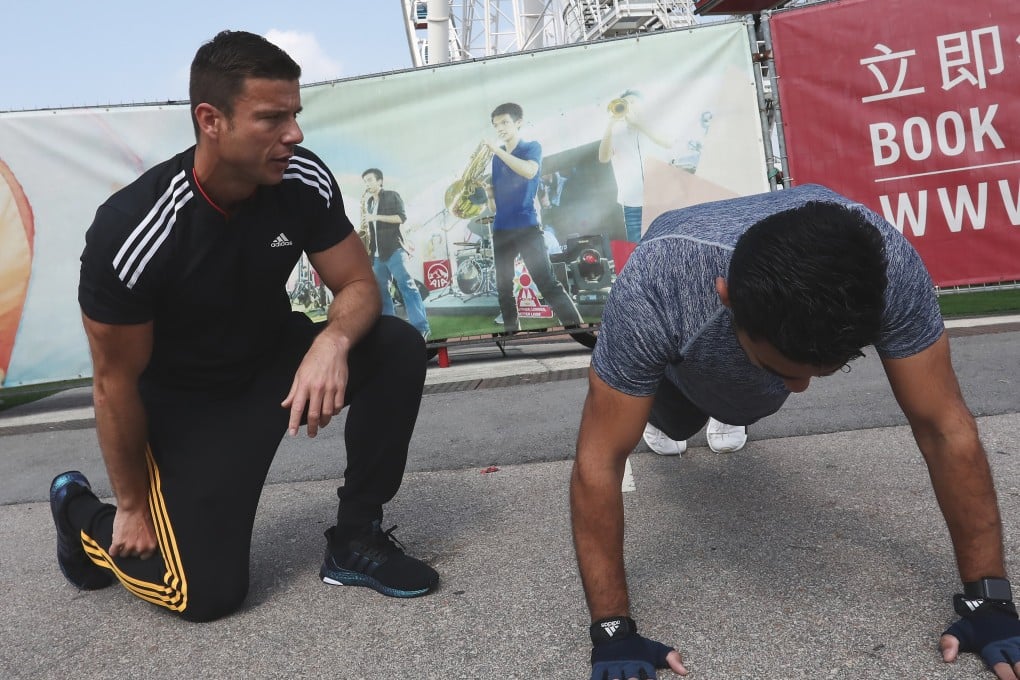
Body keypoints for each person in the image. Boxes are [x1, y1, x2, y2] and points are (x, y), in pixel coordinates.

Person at [49, 30, 439, 623]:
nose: (295, 134)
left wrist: (330, 341)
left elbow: (360, 285)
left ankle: (356, 537)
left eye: (296, 114)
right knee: (204, 596)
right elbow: (113, 384)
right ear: (212, 120)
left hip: (273, 367)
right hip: (188, 407)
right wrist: (129, 504)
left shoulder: (301, 179)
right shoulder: (133, 229)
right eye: (272, 118)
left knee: (396, 346)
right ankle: (81, 514)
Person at [570, 184, 1020, 678]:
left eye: (825, 370)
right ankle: (697, 405)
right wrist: (612, 630)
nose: (802, 390)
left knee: (752, 401)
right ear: (726, 297)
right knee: (676, 421)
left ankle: (738, 402)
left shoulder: (887, 266)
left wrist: (990, 599)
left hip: (750, 358)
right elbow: (600, 459)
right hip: (683, 365)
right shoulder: (657, 287)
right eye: (787, 369)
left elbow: (943, 428)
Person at [483, 102, 584, 335]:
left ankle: (578, 330)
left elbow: (529, 171)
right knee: (503, 286)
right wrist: (489, 195)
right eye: (496, 125)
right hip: (501, 229)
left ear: (519, 123)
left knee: (546, 281)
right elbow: (495, 203)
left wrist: (497, 150)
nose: (500, 128)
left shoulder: (531, 147)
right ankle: (511, 331)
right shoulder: (496, 160)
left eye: (505, 122)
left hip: (526, 226)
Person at [361, 168, 431, 339]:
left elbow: (401, 218)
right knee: (381, 293)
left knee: (407, 287)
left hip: (394, 250)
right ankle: (390, 329)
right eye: (365, 182)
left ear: (380, 181)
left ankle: (422, 327)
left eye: (370, 180)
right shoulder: (369, 202)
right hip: (377, 255)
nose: (367, 184)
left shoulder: (392, 195)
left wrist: (375, 218)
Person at [597, 90, 670, 244]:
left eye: (633, 102)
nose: (629, 106)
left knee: (669, 243)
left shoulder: (657, 124)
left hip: (661, 197)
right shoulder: (616, 133)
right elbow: (603, 158)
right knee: (639, 249)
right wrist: (611, 125)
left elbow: (668, 143)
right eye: (626, 103)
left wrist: (639, 125)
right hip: (633, 204)